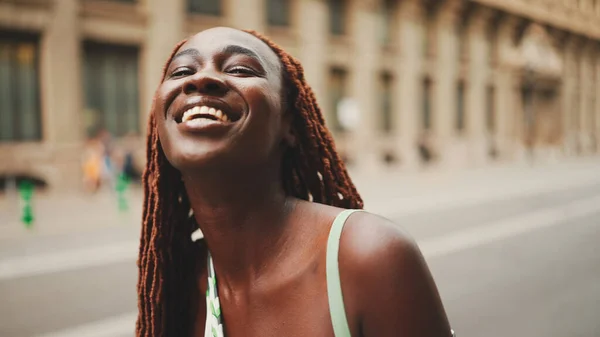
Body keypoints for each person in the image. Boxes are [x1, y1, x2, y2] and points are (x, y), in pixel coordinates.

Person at [137, 27, 454, 337]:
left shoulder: (370, 256)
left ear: (289, 123)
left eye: (239, 69)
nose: (201, 78)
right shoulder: (176, 282)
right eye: (180, 72)